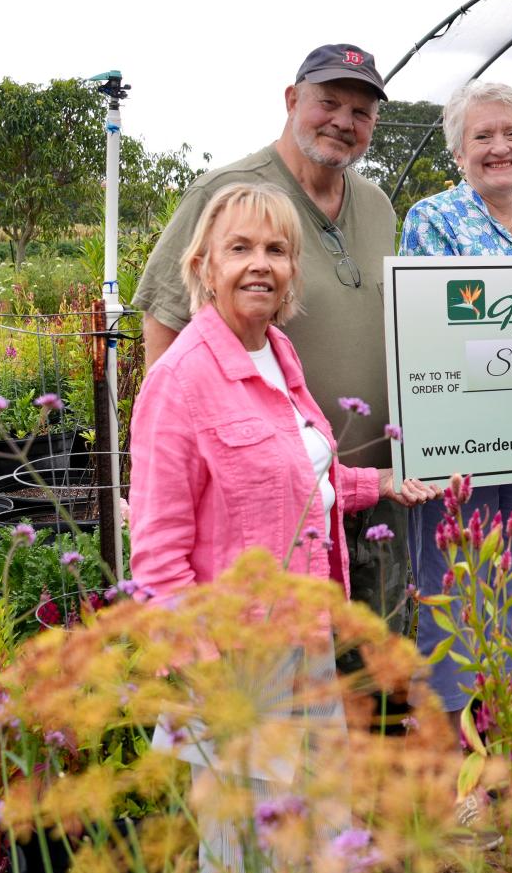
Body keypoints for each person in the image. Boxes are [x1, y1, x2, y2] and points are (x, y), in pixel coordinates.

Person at [128, 183, 433, 871]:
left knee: (317, 822)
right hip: (240, 658)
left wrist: (379, 483)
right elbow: (156, 559)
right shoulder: (179, 380)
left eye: (275, 249)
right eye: (239, 248)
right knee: (246, 843)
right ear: (203, 264)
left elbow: (294, 481)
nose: (259, 264)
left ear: (294, 268)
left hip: (307, 633)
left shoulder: (277, 354)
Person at [132, 44, 412, 629]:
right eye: (328, 102)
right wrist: (168, 466)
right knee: (274, 664)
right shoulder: (230, 190)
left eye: (360, 112)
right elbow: (165, 322)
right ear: (292, 100)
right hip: (267, 502)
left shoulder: (377, 205)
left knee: (371, 677)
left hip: (370, 487)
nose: (343, 121)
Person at [399, 81, 512, 726]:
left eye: (511, 134)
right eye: (483, 136)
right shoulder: (434, 218)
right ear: (458, 150)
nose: (500, 147)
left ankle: (498, 729)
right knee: (455, 590)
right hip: (463, 445)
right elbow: (432, 333)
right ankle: (449, 753)